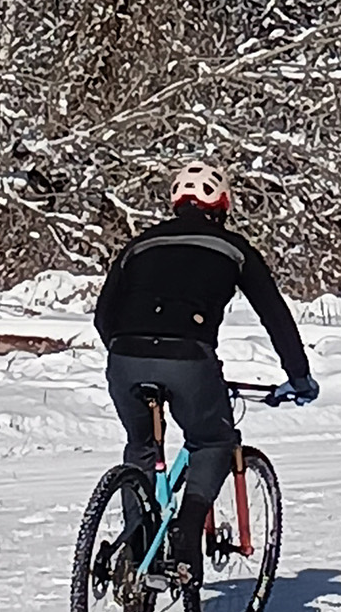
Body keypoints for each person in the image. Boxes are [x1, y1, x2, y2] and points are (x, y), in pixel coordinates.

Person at [93, 161, 318, 585]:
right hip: (189, 360)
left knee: (140, 445)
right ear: (223, 205)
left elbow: (104, 315)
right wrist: (298, 374)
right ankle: (186, 531)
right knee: (213, 440)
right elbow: (274, 314)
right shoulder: (233, 248)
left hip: (125, 357)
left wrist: (132, 352)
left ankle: (136, 546)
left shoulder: (139, 245)